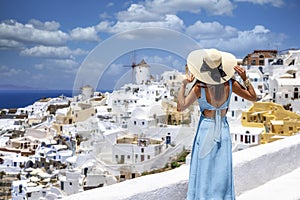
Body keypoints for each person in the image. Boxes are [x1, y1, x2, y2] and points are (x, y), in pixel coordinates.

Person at [177, 49, 256, 200]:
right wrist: (245, 79)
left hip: (206, 128)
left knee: (205, 169)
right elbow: (253, 97)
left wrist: (183, 84)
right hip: (223, 130)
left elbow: (180, 107)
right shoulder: (231, 83)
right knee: (222, 169)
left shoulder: (200, 86)